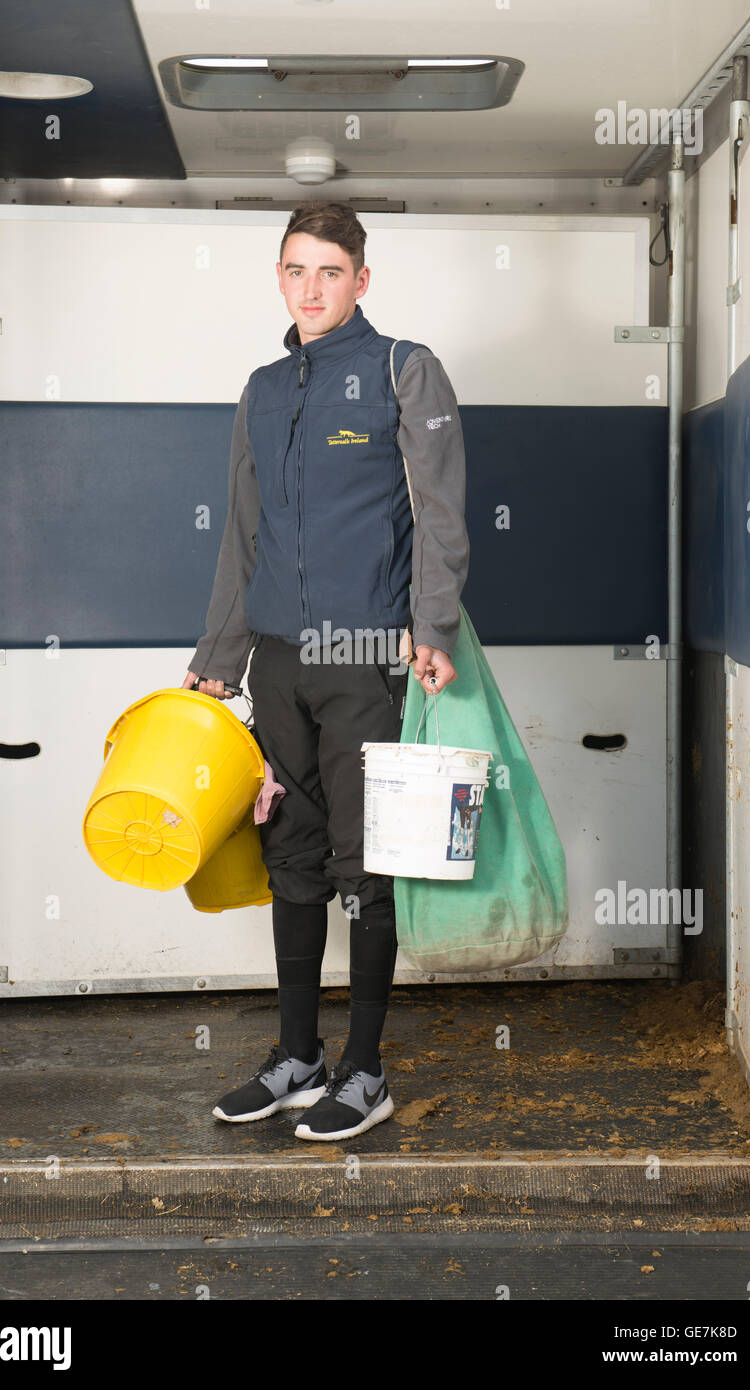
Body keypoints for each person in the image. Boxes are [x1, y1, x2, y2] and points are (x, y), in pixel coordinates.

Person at [183, 200, 469, 1141]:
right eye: (296, 271)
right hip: (277, 661)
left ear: (361, 279)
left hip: (367, 662)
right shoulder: (263, 388)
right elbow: (244, 533)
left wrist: (430, 625)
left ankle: (366, 1070)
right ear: (280, 278)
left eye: (330, 272)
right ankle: (297, 1056)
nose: (311, 290)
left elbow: (438, 514)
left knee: (368, 865)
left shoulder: (401, 369)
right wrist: (219, 659)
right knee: (291, 859)